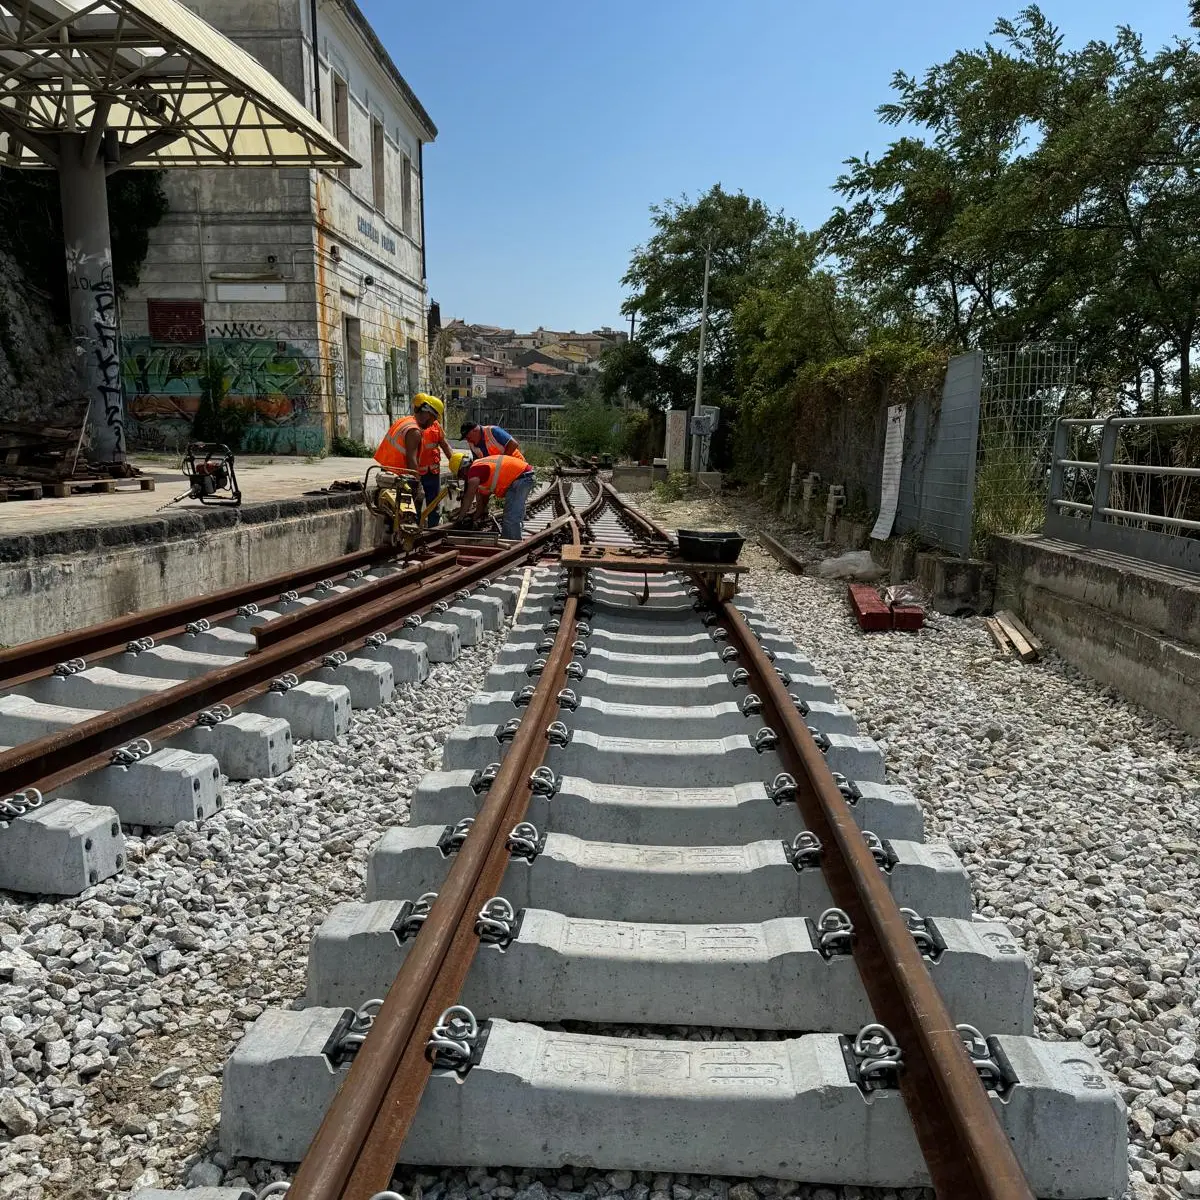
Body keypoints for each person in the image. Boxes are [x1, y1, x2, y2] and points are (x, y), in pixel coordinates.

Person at [373, 396, 443, 519]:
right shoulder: (414, 431)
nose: (433, 423)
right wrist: (417, 484)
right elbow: (412, 460)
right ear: (427, 413)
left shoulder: (404, 421)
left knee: (392, 515)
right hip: (399, 476)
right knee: (407, 515)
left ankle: (392, 537)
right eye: (433, 418)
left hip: (388, 472)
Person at [450, 448, 537, 540]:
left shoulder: (474, 471)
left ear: (462, 469)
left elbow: (469, 497)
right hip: (523, 477)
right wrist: (473, 518)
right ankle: (510, 539)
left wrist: (460, 519)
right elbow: (481, 504)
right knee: (513, 513)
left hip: (521, 478)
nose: (463, 478)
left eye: (460, 475)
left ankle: (513, 544)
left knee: (510, 517)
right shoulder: (480, 471)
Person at [413, 394, 453, 526]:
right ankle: (415, 529)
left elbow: (445, 445)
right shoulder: (413, 426)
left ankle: (433, 530)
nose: (434, 419)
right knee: (415, 504)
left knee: (434, 504)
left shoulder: (436, 426)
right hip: (417, 473)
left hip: (433, 472)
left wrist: (455, 464)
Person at [460, 421, 525, 462]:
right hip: (499, 471)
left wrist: (501, 462)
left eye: (468, 437)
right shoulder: (472, 444)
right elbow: (477, 461)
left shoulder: (492, 431)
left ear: (475, 430)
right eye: (466, 438)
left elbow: (513, 444)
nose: (468, 440)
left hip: (517, 464)